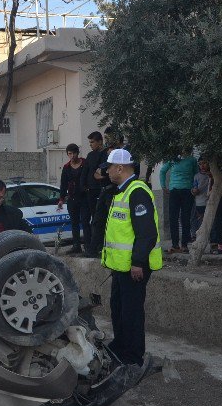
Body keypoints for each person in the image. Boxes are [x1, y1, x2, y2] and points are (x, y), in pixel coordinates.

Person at [99, 149, 162, 367]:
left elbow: (147, 233)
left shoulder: (137, 191)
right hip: (121, 267)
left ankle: (133, 357)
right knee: (118, 308)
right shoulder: (121, 191)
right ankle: (121, 346)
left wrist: (137, 262)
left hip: (135, 267)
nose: (106, 171)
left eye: (109, 167)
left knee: (132, 312)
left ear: (120, 168)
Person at [159, 148, 199, 253]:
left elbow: (196, 175)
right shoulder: (173, 159)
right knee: (174, 218)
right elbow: (162, 171)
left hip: (187, 191)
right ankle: (175, 245)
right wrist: (163, 186)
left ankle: (184, 244)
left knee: (185, 218)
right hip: (175, 191)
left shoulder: (192, 160)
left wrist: (195, 187)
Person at [79, 131, 106, 256]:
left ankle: (98, 246)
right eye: (89, 142)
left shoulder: (105, 154)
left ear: (100, 141)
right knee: (90, 219)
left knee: (98, 219)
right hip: (90, 190)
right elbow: (86, 170)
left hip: (100, 189)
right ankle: (91, 245)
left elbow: (100, 170)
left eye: (92, 142)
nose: (90, 144)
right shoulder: (90, 155)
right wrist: (83, 186)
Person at [57, 143, 86, 254]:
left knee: (85, 221)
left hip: (84, 198)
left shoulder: (85, 163)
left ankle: (88, 246)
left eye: (74, 153)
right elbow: (63, 184)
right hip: (72, 198)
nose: (72, 156)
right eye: (69, 153)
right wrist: (61, 199)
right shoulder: (66, 167)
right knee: (74, 223)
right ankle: (76, 245)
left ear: (77, 153)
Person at [190, 158, 211, 241]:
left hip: (209, 202)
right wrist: (194, 191)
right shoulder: (196, 176)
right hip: (199, 203)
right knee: (198, 220)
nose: (202, 166)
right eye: (200, 164)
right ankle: (196, 236)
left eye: (204, 163)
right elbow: (194, 188)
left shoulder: (212, 175)